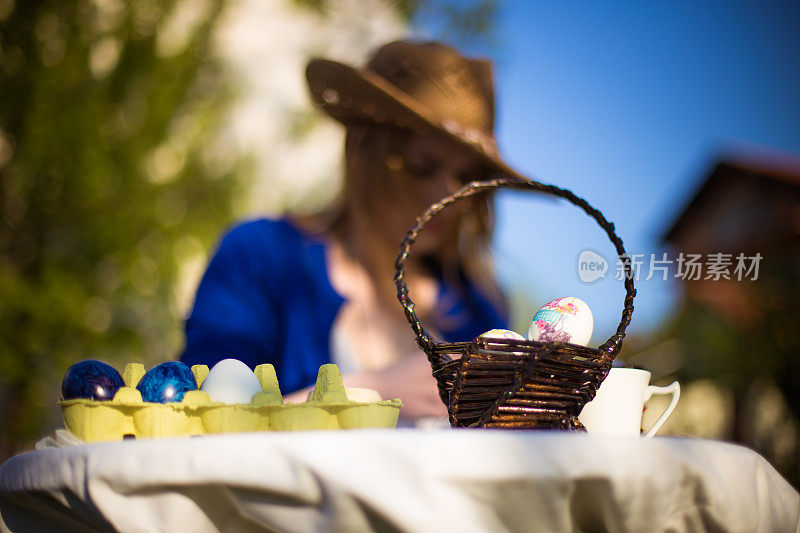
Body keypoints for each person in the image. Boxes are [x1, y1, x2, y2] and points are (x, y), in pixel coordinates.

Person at [180, 40, 527, 422]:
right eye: (422, 166)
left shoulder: (477, 306)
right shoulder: (262, 256)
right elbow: (203, 421)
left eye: (466, 178)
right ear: (367, 154)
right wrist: (369, 393)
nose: (450, 194)